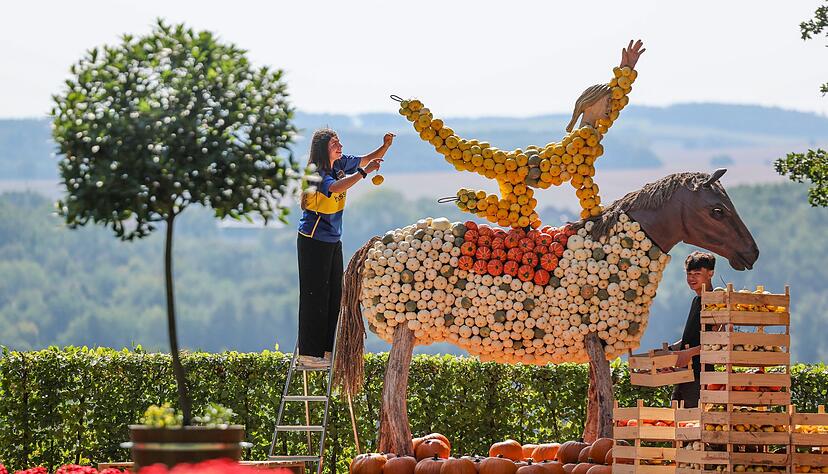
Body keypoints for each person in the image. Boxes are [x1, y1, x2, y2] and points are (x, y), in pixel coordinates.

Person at [296, 128, 394, 367]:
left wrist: (385, 146)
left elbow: (365, 159)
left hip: (332, 239)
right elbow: (335, 188)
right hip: (313, 239)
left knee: (334, 296)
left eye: (339, 142)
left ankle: (327, 350)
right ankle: (309, 354)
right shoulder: (316, 172)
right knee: (314, 295)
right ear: (322, 149)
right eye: (334, 144)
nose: (339, 146)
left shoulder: (339, 163)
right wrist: (363, 173)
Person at [670, 251, 716, 408]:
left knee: (692, 424)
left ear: (710, 273)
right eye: (689, 274)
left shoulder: (717, 303)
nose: (691, 278)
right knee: (677, 423)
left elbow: (719, 341)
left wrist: (689, 353)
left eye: (697, 273)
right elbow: (693, 337)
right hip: (684, 375)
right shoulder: (697, 300)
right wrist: (670, 350)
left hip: (700, 376)